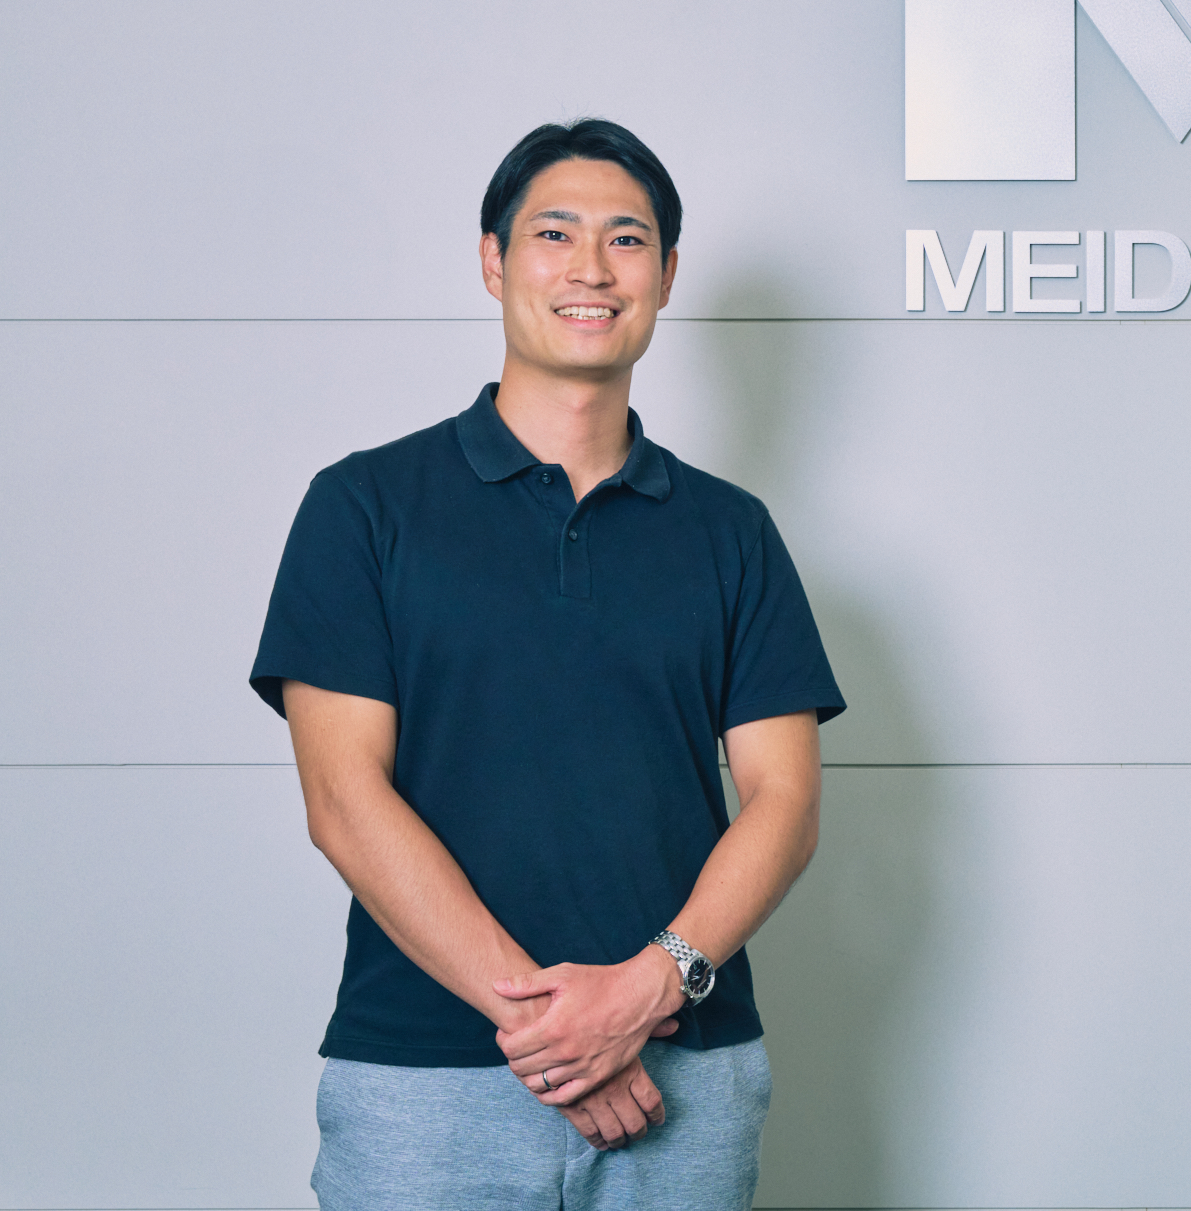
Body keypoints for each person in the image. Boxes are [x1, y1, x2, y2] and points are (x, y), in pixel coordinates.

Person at [250, 119, 845, 1209]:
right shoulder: (363, 507)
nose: (591, 269)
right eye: (555, 233)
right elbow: (343, 801)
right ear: (493, 260)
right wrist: (559, 1034)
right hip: (427, 1083)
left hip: (684, 1077)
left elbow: (785, 802)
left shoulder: (731, 533)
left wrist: (643, 994)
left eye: (627, 240)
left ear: (666, 276)